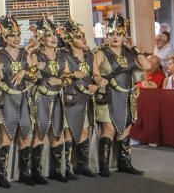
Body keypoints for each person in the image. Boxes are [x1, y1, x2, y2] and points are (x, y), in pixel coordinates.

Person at [93, 15, 150, 176]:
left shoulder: (129, 53)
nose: (115, 37)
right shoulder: (100, 53)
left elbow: (147, 66)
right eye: (111, 34)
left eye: (118, 34)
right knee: (109, 129)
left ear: (124, 36)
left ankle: (125, 164)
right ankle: (104, 166)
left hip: (127, 95)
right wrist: (99, 79)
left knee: (125, 129)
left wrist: (135, 49)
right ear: (107, 36)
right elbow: (94, 73)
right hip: (108, 95)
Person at [0, 15, 33, 187]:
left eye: (18, 34)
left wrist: (25, 72)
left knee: (24, 136)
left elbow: (35, 75)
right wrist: (2, 81)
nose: (16, 38)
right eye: (12, 35)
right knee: (6, 137)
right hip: (7, 98)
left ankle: (25, 173)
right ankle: (3, 176)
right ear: (5, 37)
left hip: (24, 97)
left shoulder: (26, 53)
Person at [30, 17, 69, 183]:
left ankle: (55, 170)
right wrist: (37, 71)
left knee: (57, 133)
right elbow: (30, 77)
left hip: (57, 96)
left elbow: (68, 76)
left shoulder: (62, 55)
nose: (54, 38)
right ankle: (36, 173)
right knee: (40, 132)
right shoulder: (35, 55)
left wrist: (60, 81)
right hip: (41, 97)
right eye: (49, 35)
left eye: (54, 34)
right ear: (41, 38)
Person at [58, 19, 98, 178]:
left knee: (85, 130)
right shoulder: (63, 55)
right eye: (78, 36)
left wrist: (97, 83)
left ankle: (82, 165)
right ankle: (66, 167)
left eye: (82, 35)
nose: (82, 39)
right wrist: (72, 75)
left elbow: (96, 74)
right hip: (71, 96)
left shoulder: (89, 55)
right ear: (69, 40)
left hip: (86, 97)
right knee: (69, 131)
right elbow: (61, 74)